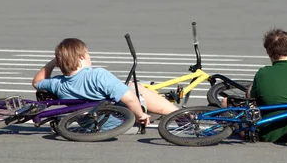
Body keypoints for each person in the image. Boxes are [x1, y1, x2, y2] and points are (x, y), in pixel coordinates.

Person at [32, 38, 178, 126]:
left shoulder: (58, 83)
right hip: (118, 121)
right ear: (81, 57)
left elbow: (37, 82)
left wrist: (52, 63)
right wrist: (140, 115)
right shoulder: (98, 75)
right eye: (88, 54)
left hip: (89, 124)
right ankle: (182, 115)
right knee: (133, 87)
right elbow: (129, 98)